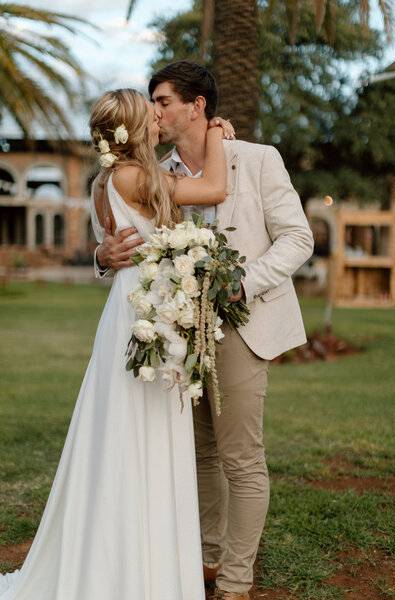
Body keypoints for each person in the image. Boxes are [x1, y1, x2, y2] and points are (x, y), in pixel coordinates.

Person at [0, 88, 233, 600]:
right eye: (150, 116)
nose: (158, 122)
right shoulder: (134, 176)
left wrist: (107, 257)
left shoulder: (108, 179)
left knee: (129, 433)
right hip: (144, 315)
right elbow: (215, 188)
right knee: (142, 432)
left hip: (133, 312)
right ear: (133, 126)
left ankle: (129, 555)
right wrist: (215, 129)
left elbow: (117, 244)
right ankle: (135, 570)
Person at [96, 62, 314, 600]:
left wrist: (243, 285)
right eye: (151, 103)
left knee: (241, 458)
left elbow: (297, 238)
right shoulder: (153, 169)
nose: (156, 111)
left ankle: (236, 581)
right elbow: (113, 238)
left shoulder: (258, 159)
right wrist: (101, 257)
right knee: (198, 454)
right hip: (175, 335)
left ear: (198, 106)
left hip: (241, 325)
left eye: (164, 100)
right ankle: (207, 560)